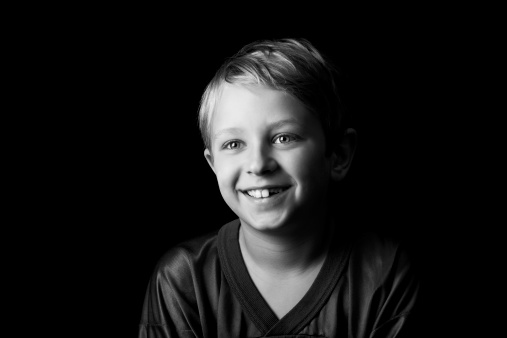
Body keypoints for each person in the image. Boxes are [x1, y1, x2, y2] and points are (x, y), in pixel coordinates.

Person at [138, 38, 420, 338]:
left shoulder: (385, 274)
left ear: (338, 155)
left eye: (284, 138)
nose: (258, 164)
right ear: (213, 164)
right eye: (234, 144)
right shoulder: (184, 279)